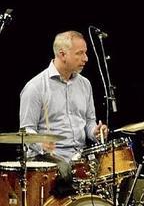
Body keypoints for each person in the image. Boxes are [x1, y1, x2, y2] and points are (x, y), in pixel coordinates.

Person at [19, 30, 109, 195]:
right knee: (65, 170)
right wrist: (40, 143)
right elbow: (26, 130)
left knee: (116, 168)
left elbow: (89, 121)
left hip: (79, 156)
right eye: (80, 53)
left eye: (86, 53)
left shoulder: (85, 84)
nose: (86, 58)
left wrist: (95, 132)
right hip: (48, 158)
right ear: (62, 54)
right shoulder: (35, 87)